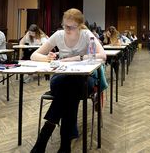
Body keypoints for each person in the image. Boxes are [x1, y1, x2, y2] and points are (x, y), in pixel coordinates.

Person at [30, 8, 107, 153]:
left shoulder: (86, 35)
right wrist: (47, 58)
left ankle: (43, 138)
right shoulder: (58, 35)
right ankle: (65, 145)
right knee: (70, 89)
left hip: (85, 79)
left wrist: (76, 58)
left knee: (71, 87)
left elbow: (102, 56)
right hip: (61, 79)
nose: (66, 29)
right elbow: (34, 55)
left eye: (70, 27)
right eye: (64, 25)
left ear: (79, 26)